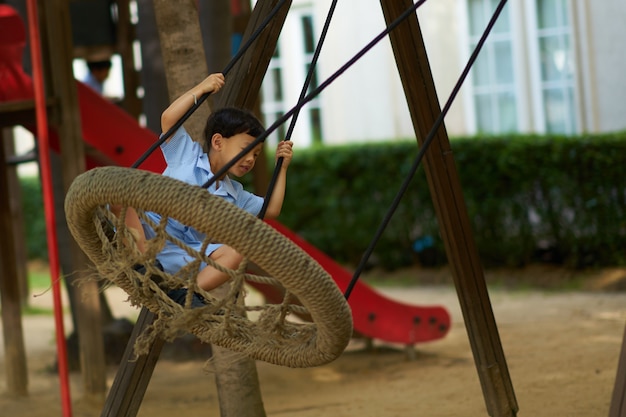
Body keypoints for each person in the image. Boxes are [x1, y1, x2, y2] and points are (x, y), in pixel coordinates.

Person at [139, 72, 293, 302]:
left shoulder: (235, 195)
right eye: (246, 149)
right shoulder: (186, 156)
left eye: (256, 154)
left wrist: (282, 168)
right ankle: (137, 260)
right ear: (218, 142)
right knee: (120, 194)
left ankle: (186, 294)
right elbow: (168, 119)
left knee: (236, 253)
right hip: (147, 234)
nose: (251, 159)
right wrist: (201, 88)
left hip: (180, 256)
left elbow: (271, 209)